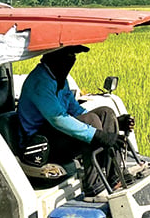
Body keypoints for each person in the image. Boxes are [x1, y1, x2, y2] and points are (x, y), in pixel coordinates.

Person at [17, 45, 133, 197]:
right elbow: (58, 119)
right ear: (54, 55)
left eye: (74, 55)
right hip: (39, 142)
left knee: (106, 113)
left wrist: (115, 122)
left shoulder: (59, 79)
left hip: (54, 133)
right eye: (69, 54)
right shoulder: (40, 82)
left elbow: (76, 110)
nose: (72, 59)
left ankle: (115, 176)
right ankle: (94, 187)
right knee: (91, 123)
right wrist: (97, 134)